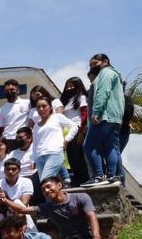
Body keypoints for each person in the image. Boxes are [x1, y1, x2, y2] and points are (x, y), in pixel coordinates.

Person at [83, 53, 126, 186]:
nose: (92, 67)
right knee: (110, 147)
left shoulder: (106, 73)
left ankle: (98, 176)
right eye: (90, 65)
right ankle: (113, 176)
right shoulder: (116, 75)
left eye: (95, 64)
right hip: (115, 117)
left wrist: (96, 112)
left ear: (105, 62)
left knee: (89, 145)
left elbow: (103, 92)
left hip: (104, 115)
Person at [30, 97, 79, 183]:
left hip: (55, 154)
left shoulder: (57, 117)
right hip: (39, 157)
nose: (41, 109)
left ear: (50, 107)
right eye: (38, 107)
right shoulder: (36, 125)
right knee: (46, 185)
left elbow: (74, 126)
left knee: (45, 181)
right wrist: (33, 159)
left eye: (44, 106)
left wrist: (67, 139)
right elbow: (35, 144)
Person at [59, 76, 91, 185]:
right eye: (67, 86)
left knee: (78, 156)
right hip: (68, 131)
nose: (69, 88)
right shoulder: (67, 101)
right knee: (71, 157)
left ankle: (83, 178)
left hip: (77, 128)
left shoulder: (81, 97)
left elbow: (84, 114)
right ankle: (77, 179)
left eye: (72, 86)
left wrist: (82, 130)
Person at [0, 78, 30, 151]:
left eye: (12, 90)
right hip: (7, 140)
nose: (9, 92)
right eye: (7, 90)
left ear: (18, 91)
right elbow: (0, 128)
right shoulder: (1, 109)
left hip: (22, 139)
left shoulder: (27, 103)